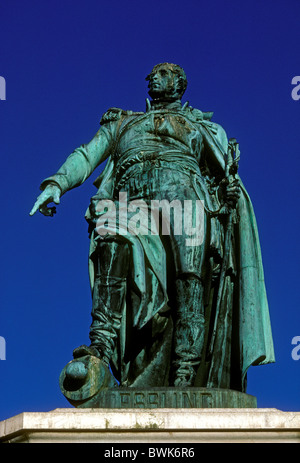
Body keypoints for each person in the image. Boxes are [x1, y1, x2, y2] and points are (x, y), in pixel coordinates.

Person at [30, 63, 274, 391]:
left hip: (186, 196)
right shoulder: (122, 122)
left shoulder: (203, 127)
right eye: (154, 73)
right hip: (130, 198)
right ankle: (100, 346)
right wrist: (57, 183)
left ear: (180, 83)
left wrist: (228, 195)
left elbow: (222, 177)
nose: (154, 77)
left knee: (190, 280)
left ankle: (185, 371)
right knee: (110, 239)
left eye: (164, 72)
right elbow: (87, 155)